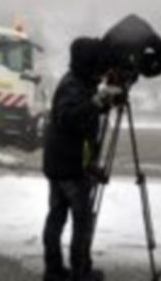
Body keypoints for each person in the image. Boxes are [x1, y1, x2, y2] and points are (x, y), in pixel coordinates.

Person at [42, 37, 122, 281]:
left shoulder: (78, 82)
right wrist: (99, 101)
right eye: (97, 64)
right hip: (69, 167)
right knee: (82, 220)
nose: (100, 70)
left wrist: (102, 99)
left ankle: (54, 270)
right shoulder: (73, 86)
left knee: (57, 216)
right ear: (88, 63)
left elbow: (84, 116)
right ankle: (80, 272)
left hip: (61, 163)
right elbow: (70, 118)